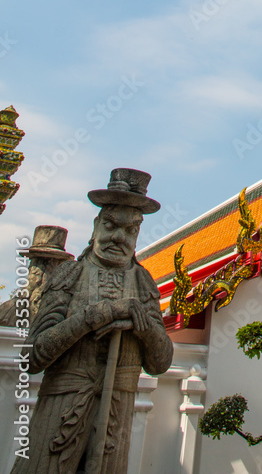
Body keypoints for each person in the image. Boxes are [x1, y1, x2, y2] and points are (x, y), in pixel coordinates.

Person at [12, 168, 173, 474]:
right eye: (111, 225)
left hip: (114, 420)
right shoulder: (71, 274)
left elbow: (160, 363)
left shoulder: (143, 283)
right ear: (96, 226)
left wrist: (142, 324)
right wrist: (90, 318)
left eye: (130, 231)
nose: (119, 237)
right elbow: (31, 358)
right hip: (61, 409)